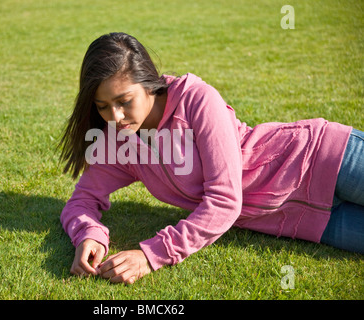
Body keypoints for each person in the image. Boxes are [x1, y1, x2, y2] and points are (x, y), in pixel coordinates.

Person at [58, 32, 364, 285]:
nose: (115, 117)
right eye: (102, 107)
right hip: (315, 223)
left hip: (328, 158)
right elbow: (81, 200)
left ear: (148, 83)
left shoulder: (195, 99)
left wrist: (151, 255)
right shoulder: (121, 142)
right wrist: (90, 235)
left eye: (124, 101)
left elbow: (225, 201)